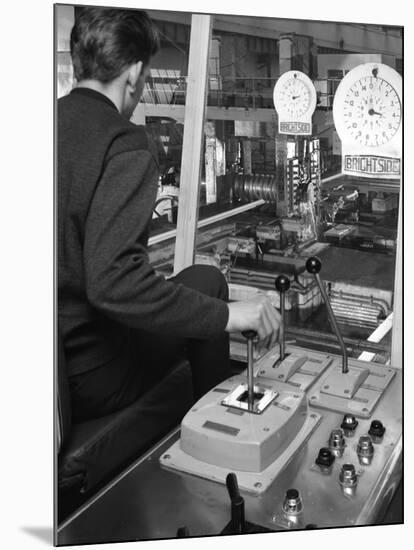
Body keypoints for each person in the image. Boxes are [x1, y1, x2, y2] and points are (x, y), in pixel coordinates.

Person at [58, 7, 281, 423]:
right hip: (93, 374)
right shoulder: (123, 144)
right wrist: (230, 316)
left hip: (53, 360)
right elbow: (115, 284)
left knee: (205, 279)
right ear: (135, 73)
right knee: (213, 302)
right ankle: (219, 432)